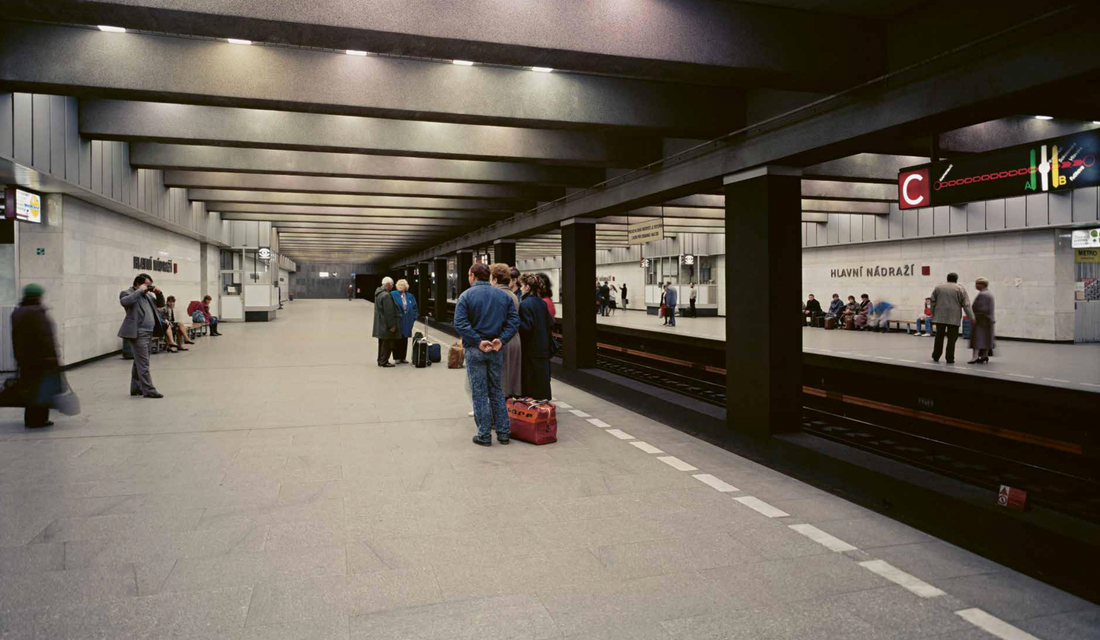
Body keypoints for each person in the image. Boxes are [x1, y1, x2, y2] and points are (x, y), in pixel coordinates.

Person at [453, 263, 520, 446]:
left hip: (476, 350)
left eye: (468, 274)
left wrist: (477, 341)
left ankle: (484, 434)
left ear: (473, 276)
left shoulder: (466, 296)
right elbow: (514, 321)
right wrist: (501, 339)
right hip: (496, 349)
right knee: (497, 391)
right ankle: (503, 433)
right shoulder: (501, 295)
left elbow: (460, 323)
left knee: (480, 393)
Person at [10, 284, 61, 427]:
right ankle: (38, 419)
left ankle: (31, 418)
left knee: (31, 389)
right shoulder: (36, 312)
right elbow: (45, 337)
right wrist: (52, 357)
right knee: (41, 390)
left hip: (24, 358)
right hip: (41, 359)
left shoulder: (18, 312)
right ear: (38, 296)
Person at [119, 273, 165, 399]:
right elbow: (125, 302)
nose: (149, 288)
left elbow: (160, 305)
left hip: (149, 332)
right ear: (137, 284)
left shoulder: (148, 296)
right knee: (143, 362)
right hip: (138, 333)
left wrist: (159, 293)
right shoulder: (127, 293)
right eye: (147, 285)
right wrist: (139, 291)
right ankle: (149, 390)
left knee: (139, 361)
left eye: (150, 285)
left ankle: (136, 387)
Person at [518, 273, 554, 401]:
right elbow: (551, 323)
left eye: (522, 285)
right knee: (543, 378)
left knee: (531, 378)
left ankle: (533, 408)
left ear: (528, 287)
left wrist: (515, 323)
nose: (521, 288)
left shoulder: (525, 304)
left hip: (531, 348)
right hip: (544, 346)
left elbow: (526, 328)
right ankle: (545, 405)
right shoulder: (542, 303)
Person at [490, 264, 522, 397]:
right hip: (514, 338)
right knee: (512, 378)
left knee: (500, 380)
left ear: (496, 279)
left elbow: (494, 320)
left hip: (500, 340)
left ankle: (500, 413)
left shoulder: (496, 294)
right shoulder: (513, 295)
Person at [930, 272, 973, 364]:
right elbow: (966, 304)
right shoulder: (960, 288)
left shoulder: (939, 287)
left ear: (947, 278)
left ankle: (936, 356)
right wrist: (971, 317)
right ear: (956, 279)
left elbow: (932, 301)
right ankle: (949, 358)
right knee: (952, 339)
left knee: (939, 337)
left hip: (940, 317)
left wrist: (933, 313)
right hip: (954, 317)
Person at [373, 277, 401, 367]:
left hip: (380, 323)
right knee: (387, 343)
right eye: (392, 285)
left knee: (381, 342)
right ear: (388, 284)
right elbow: (389, 312)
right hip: (385, 323)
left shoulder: (378, 293)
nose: (392, 287)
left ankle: (380, 360)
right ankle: (384, 361)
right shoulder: (386, 295)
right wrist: (391, 325)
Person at [391, 279, 418, 364]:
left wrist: (413, 317)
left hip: (407, 321)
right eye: (399, 284)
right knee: (397, 339)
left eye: (402, 285)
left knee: (404, 339)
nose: (400, 286)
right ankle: (397, 357)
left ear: (406, 287)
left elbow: (414, 307)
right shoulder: (393, 294)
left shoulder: (410, 296)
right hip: (398, 320)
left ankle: (403, 357)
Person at [969, 277, 995, 364]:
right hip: (987, 320)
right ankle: (984, 356)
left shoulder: (983, 295)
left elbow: (981, 309)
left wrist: (974, 317)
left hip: (981, 321)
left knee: (977, 340)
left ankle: (975, 357)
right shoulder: (988, 294)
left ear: (982, 284)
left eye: (977, 284)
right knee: (986, 339)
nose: (976, 285)